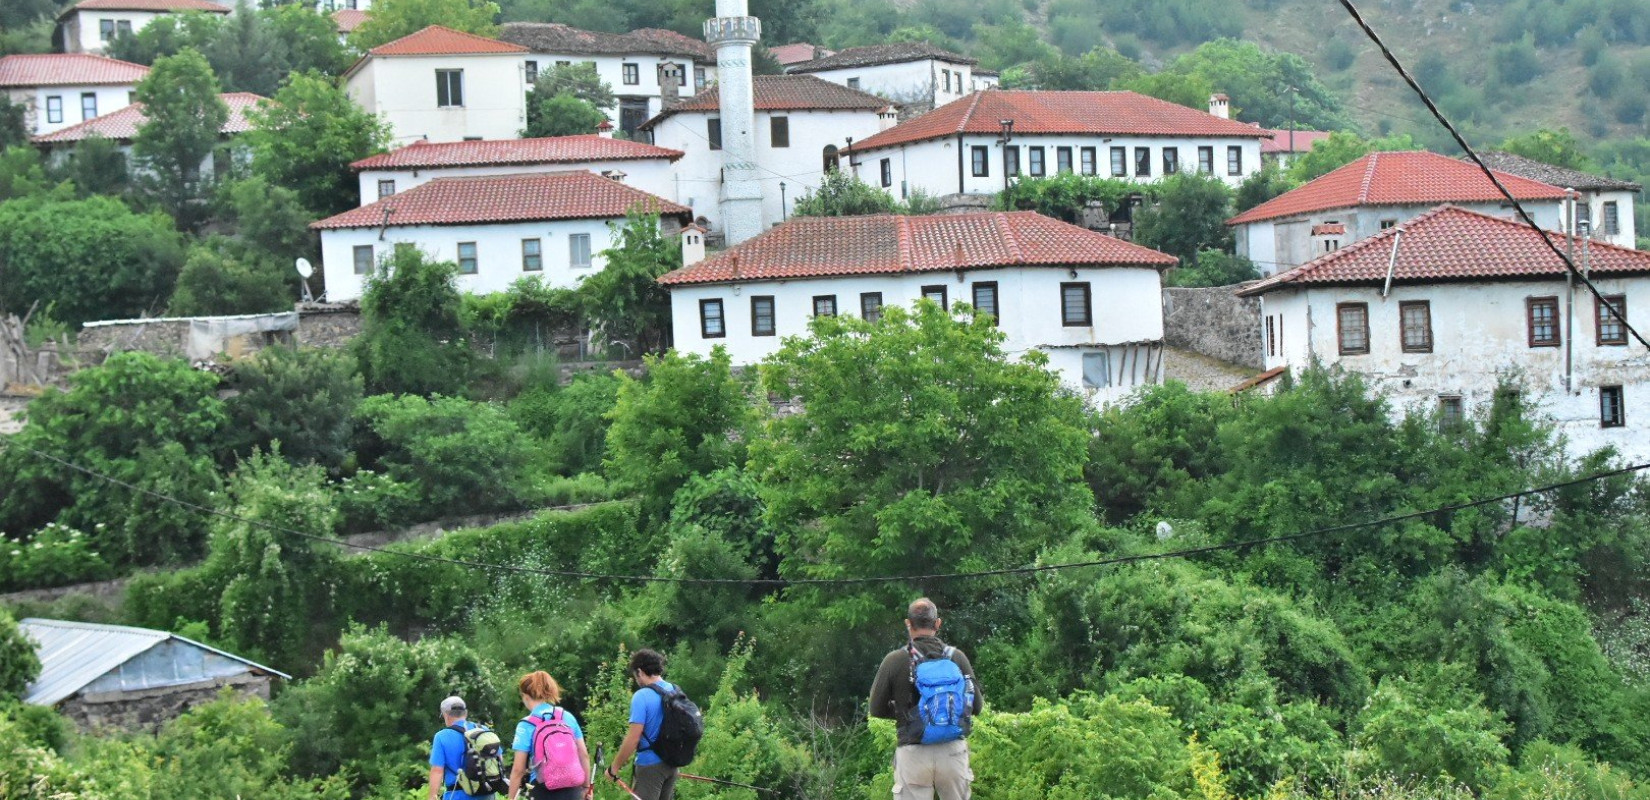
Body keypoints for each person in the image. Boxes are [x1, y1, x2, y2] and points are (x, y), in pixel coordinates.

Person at [868, 598, 983, 800]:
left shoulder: (895, 660)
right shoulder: (956, 657)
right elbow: (976, 706)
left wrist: (907, 714)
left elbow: (876, 709)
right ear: (937, 623)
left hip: (913, 752)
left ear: (908, 623)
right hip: (952, 751)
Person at [605, 648, 678, 800]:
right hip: (672, 763)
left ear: (640, 671)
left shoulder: (642, 696)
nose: (637, 681)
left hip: (650, 765)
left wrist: (614, 768)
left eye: (635, 676)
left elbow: (633, 738)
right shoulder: (674, 690)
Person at [508, 671, 591, 800]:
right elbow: (583, 754)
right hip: (572, 789)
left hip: (543, 790)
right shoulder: (567, 717)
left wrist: (511, 798)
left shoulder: (526, 725)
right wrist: (586, 787)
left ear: (525, 696)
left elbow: (518, 770)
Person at [429, 695, 495, 800]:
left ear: (446, 714)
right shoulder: (484, 730)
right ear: (465, 713)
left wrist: (432, 796)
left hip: (458, 794)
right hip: (487, 793)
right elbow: (498, 758)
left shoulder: (441, 736)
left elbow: (437, 770)